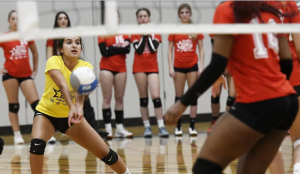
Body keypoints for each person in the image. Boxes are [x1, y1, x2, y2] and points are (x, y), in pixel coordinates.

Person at [165, 1, 298, 173]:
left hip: (258, 101)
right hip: (286, 102)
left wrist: (182, 103)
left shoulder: (228, 9)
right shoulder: (271, 11)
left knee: (204, 168)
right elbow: (286, 63)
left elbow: (218, 64)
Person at [30, 37, 130, 174]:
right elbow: (63, 85)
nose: (74, 45)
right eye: (69, 42)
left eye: (77, 43)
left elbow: (80, 92)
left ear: (81, 48)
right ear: (60, 48)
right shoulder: (53, 61)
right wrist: (72, 107)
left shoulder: (85, 66)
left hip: (70, 118)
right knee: (37, 144)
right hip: (47, 114)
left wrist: (79, 109)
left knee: (106, 153)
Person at [46, 11, 107, 143]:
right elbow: (49, 56)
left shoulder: (83, 62)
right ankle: (60, 129)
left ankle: (93, 129)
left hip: (75, 72)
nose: (63, 20)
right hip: (59, 70)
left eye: (65, 18)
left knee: (85, 102)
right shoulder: (52, 37)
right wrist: (56, 68)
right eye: (60, 18)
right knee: (59, 100)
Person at [0, 10, 39, 145]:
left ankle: (43, 133)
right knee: (14, 106)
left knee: (37, 106)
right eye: (13, 19)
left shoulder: (26, 35)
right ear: (8, 21)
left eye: (18, 19)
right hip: (9, 74)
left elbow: (35, 52)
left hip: (26, 75)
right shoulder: (4, 37)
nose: (16, 21)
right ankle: (17, 135)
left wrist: (35, 70)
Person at [167, 3, 205, 136]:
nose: (184, 15)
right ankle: (178, 126)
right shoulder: (175, 30)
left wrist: (201, 67)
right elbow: (169, 50)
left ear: (190, 14)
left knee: (193, 96)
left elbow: (201, 49)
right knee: (179, 96)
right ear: (179, 14)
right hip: (178, 67)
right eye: (182, 12)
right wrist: (170, 67)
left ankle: (192, 126)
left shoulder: (195, 30)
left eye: (186, 12)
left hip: (192, 66)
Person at [131, 7, 169, 138]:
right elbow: (139, 50)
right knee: (143, 98)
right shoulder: (134, 32)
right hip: (138, 68)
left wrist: (147, 34)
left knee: (156, 97)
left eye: (145, 16)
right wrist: (144, 35)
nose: (143, 18)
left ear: (149, 17)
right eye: (140, 16)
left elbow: (153, 49)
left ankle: (161, 126)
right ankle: (147, 127)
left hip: (152, 67)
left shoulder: (155, 31)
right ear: (137, 19)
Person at [98, 12, 133, 139]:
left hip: (121, 68)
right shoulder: (103, 32)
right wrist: (120, 47)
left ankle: (119, 128)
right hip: (106, 68)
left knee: (119, 99)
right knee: (107, 98)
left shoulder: (124, 32)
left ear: (119, 18)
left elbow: (128, 50)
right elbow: (104, 52)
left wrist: (111, 48)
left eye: (116, 16)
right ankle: (108, 129)